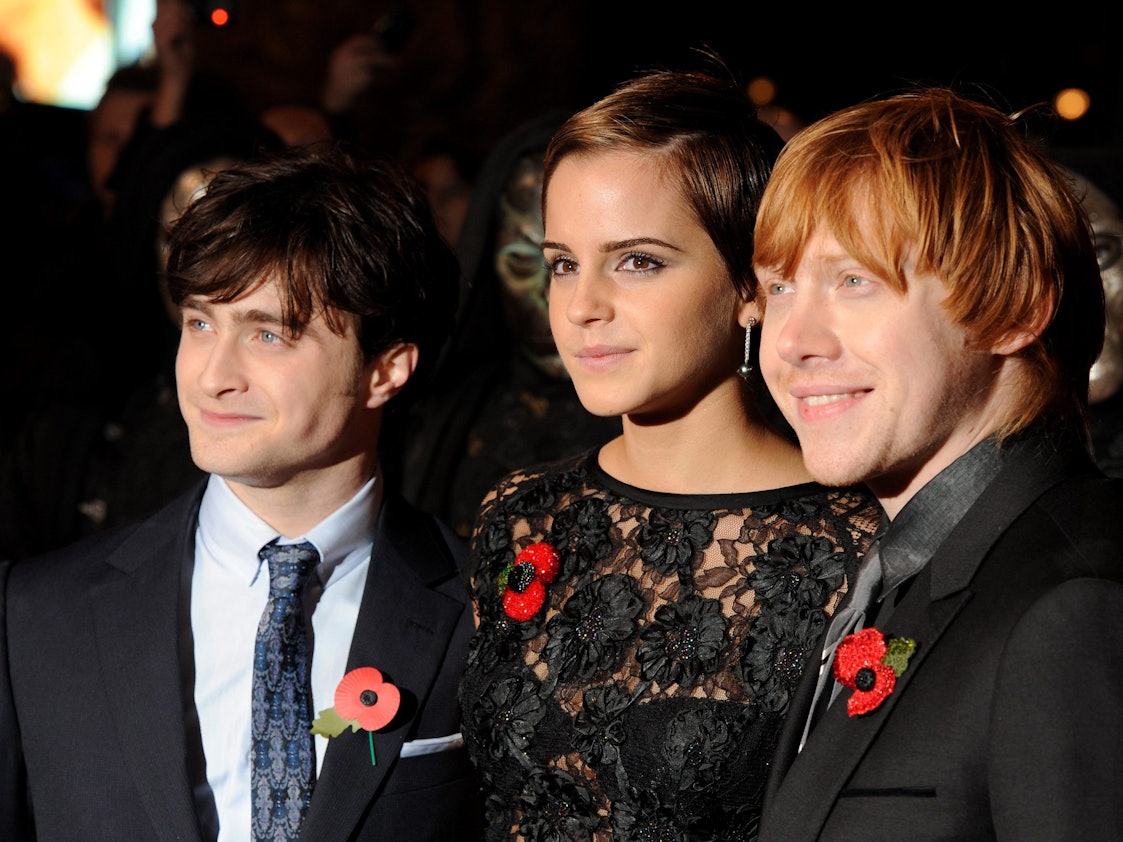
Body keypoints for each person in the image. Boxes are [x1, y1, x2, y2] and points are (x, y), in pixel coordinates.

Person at [0, 146, 484, 841]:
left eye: (267, 333)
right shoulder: (36, 616)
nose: (212, 376)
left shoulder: (479, 617)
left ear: (386, 369)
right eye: (200, 323)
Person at [457, 63, 882, 839]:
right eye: (561, 263)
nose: (582, 306)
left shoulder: (857, 550)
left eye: (638, 261)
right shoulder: (519, 516)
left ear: (751, 286)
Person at [753, 87, 1123, 839]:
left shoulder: (1075, 609)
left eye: (851, 280)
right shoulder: (914, 570)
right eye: (778, 288)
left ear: (1015, 305)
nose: (790, 340)